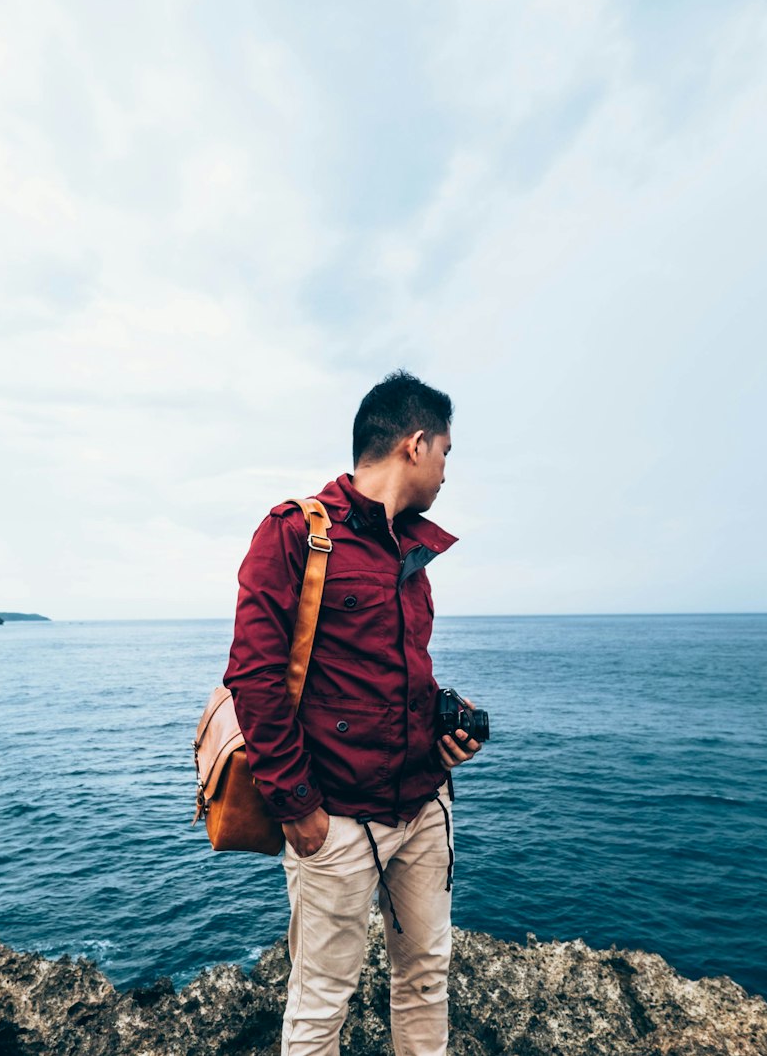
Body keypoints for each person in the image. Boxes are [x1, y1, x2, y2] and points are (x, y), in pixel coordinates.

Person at [224, 369, 483, 1056]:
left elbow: (390, 677)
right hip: (334, 819)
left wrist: (445, 726)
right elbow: (253, 678)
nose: (447, 471)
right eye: (447, 453)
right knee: (319, 1007)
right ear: (416, 443)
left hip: (423, 807)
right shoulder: (294, 533)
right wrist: (298, 807)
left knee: (426, 977)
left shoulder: (412, 553)